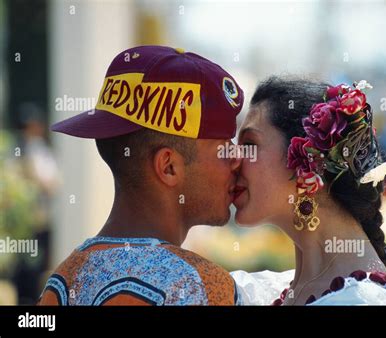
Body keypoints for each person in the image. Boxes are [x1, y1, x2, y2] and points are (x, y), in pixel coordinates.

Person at [38, 45, 244, 305]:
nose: (238, 160)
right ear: (169, 167)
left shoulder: (63, 277)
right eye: (225, 149)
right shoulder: (199, 285)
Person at [231, 77, 386, 305]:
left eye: (249, 145)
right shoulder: (264, 291)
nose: (234, 160)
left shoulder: (364, 301)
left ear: (311, 161)